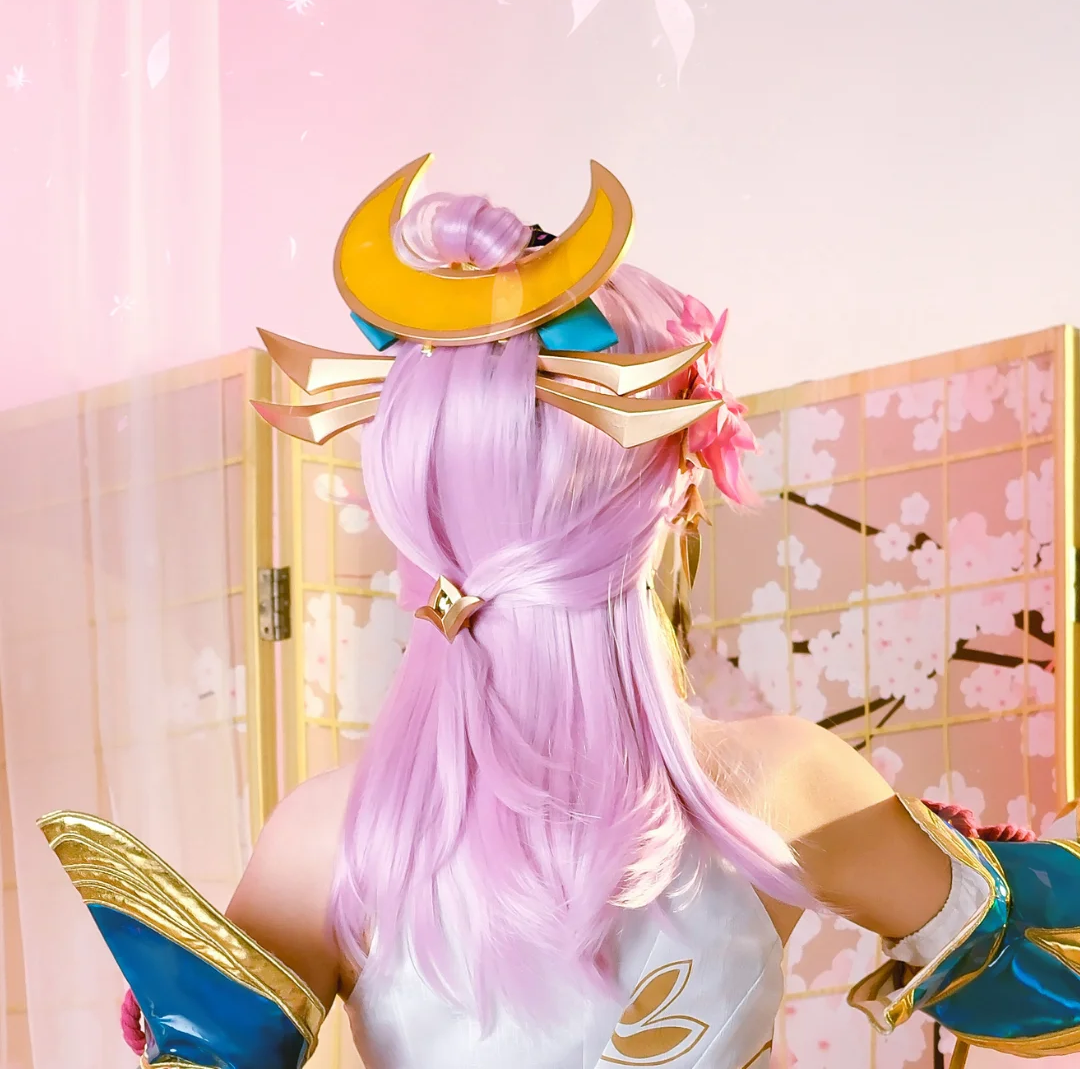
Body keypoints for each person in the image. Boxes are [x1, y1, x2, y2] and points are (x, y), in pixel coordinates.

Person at [42, 156, 1080, 1069]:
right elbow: (1050, 984)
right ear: (681, 497)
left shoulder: (330, 840)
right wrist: (960, 869)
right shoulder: (783, 789)